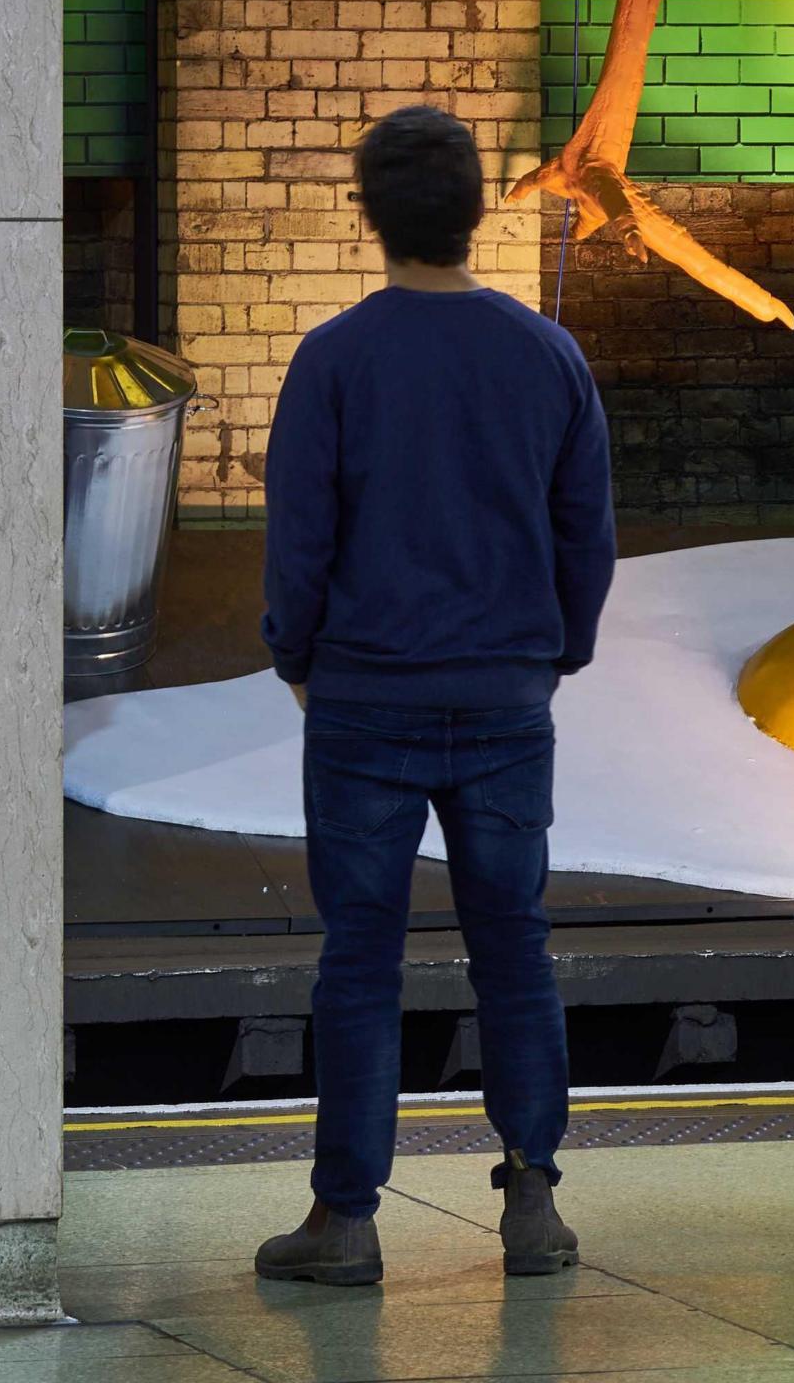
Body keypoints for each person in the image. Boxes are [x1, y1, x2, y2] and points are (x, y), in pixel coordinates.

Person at [250, 107, 615, 1286]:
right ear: (473, 215)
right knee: (515, 945)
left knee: (359, 957)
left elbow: (301, 536)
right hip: (506, 698)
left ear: (370, 216)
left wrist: (295, 654)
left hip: (363, 700)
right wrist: (558, 651)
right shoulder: (547, 353)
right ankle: (535, 1206)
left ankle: (346, 1222)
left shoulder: (336, 358)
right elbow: (586, 536)